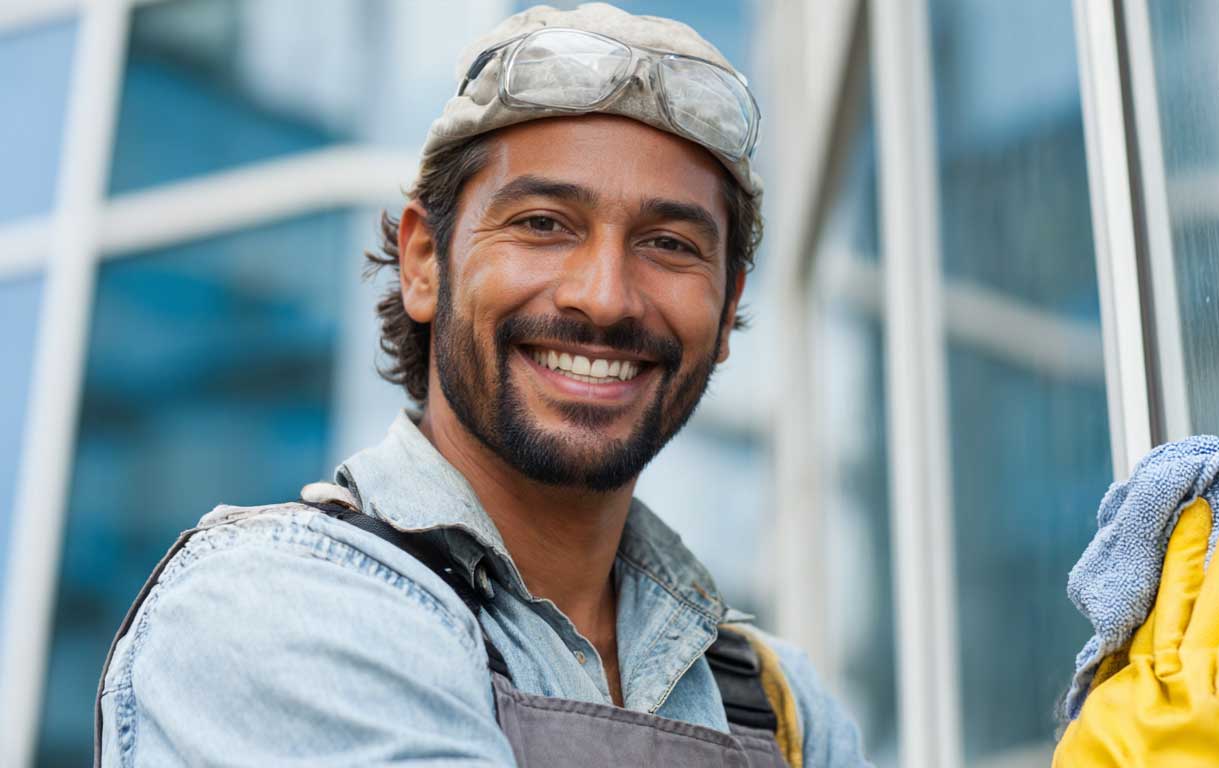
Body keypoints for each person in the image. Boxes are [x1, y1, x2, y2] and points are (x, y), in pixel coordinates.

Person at [96, 5, 867, 765]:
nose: (603, 296)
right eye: (542, 223)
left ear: (728, 310)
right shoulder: (274, 608)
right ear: (425, 262)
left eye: (668, 244)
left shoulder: (784, 710)